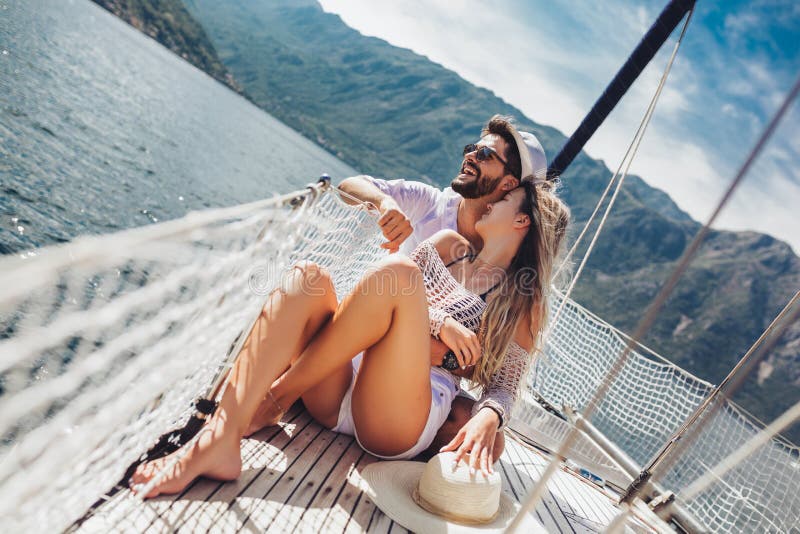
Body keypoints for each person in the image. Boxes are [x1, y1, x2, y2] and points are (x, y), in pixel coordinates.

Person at [129, 178, 569, 500]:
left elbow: (504, 387)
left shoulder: (520, 302)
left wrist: (489, 416)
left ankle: (278, 397)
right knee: (308, 278)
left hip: (401, 416)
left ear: (522, 221)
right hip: (339, 382)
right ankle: (218, 443)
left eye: (504, 199)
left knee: (400, 273)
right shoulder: (448, 244)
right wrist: (439, 324)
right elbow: (387, 295)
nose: (490, 201)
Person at [339, 115, 550, 459]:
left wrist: (450, 357)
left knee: (488, 438)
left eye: (484, 155)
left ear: (511, 185)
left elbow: (484, 361)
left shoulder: (509, 272)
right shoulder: (431, 206)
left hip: (422, 366)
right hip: (378, 324)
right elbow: (350, 185)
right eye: (473, 149)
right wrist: (384, 203)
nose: (470, 156)